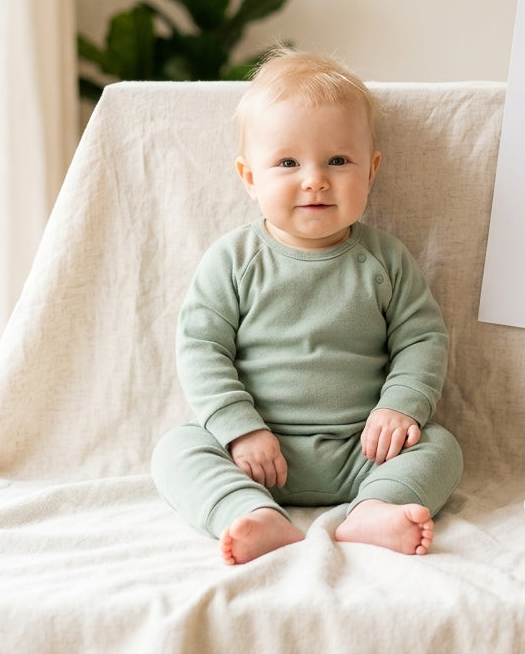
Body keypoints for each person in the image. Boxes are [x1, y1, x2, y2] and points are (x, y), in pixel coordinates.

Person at [151, 49, 463, 565]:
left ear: (372, 170)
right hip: (253, 452)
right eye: (288, 163)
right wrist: (239, 428)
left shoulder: (384, 260)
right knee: (175, 450)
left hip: (363, 450)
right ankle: (248, 513)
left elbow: (421, 338)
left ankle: (373, 511)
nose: (314, 179)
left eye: (338, 161)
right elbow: (201, 347)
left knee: (441, 446)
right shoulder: (234, 259)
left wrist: (401, 406)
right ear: (250, 178)